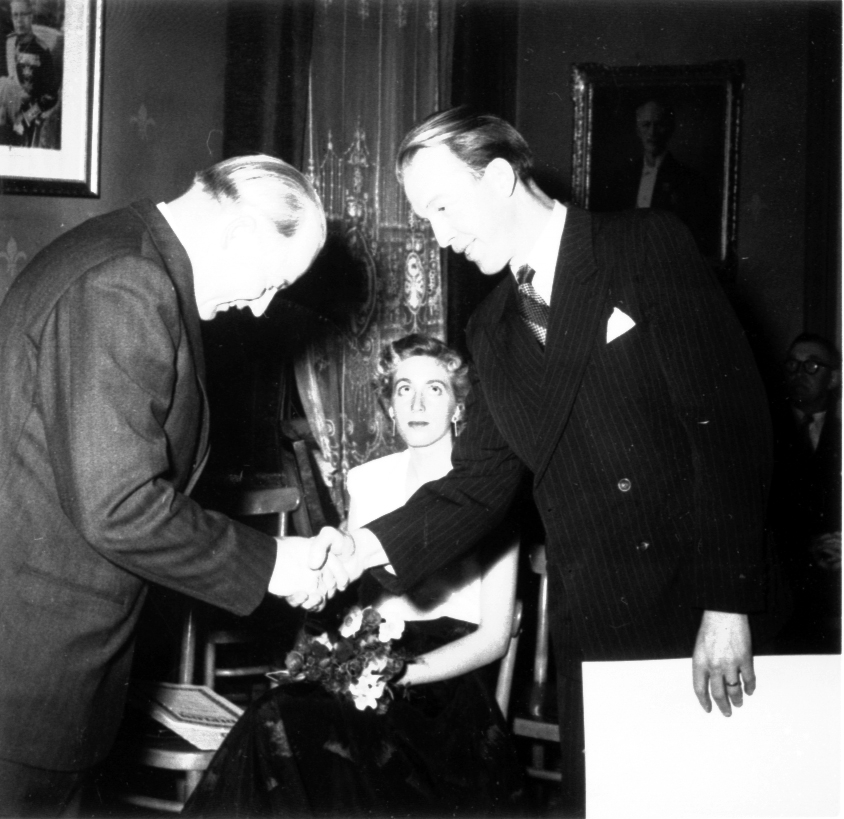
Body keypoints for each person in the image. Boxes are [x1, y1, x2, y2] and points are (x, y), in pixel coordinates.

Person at [298, 108, 785, 815]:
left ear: (499, 177)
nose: (439, 237)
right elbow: (478, 484)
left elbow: (729, 431)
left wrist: (727, 602)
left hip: (702, 599)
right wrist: (357, 551)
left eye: (442, 208)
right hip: (597, 617)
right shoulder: (490, 328)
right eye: (425, 218)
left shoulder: (641, 246)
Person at [0, 154, 346, 817]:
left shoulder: (117, 249)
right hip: (30, 678)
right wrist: (273, 563)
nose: (262, 308)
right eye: (273, 281)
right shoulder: (128, 283)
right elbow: (119, 504)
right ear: (240, 233)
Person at [182, 333, 524, 818]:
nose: (417, 403)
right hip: (371, 656)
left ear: (459, 407)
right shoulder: (369, 480)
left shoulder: (492, 488)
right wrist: (322, 606)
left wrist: (403, 673)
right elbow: (354, 594)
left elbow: (494, 639)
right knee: (274, 714)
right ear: (390, 406)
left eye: (435, 389)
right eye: (404, 389)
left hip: (446, 683)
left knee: (335, 742)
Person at [770, 332, 841, 653]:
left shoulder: (841, 434)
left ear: (833, 378)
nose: (799, 373)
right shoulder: (766, 432)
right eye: (792, 365)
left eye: (812, 366)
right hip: (783, 586)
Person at [595, 98, 717, 258]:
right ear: (638, 130)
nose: (652, 133)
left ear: (670, 129)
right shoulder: (622, 178)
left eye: (659, 125)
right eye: (646, 125)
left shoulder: (689, 180)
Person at [0, 0, 59, 147]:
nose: (19, 20)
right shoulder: (9, 43)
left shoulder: (42, 51)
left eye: (23, 15)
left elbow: (51, 96)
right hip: (6, 112)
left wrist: (27, 117)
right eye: (15, 15)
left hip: (27, 117)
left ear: (31, 16)